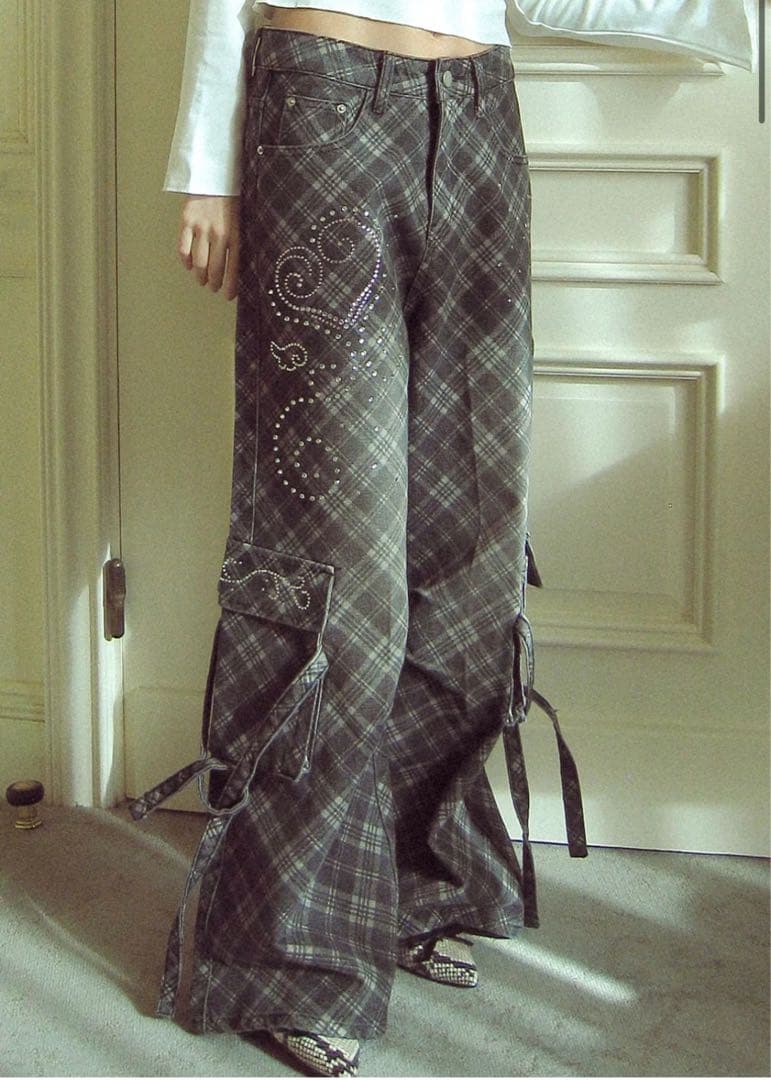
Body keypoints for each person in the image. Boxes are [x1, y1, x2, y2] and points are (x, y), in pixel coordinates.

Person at [130, 3, 587, 1076]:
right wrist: (208, 168)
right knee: (334, 562)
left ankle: (417, 883)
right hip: (323, 101)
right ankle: (282, 955)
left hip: (481, 112)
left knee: (470, 542)